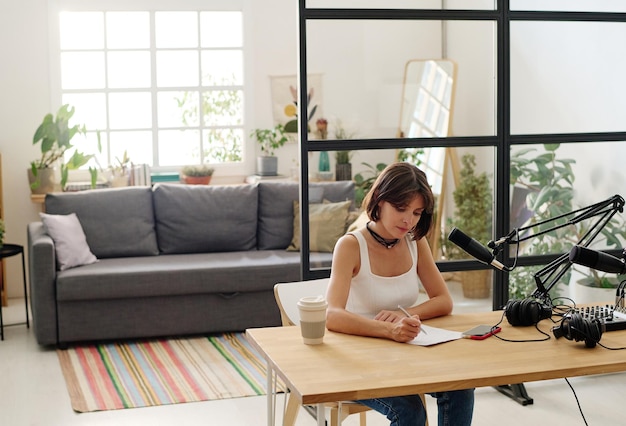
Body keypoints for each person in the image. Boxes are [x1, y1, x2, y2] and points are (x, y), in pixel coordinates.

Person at [326, 162, 474, 426]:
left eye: (417, 212)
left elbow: (443, 300)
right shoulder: (350, 246)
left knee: (461, 386)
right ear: (380, 201)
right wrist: (388, 330)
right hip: (357, 361)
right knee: (410, 410)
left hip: (403, 355)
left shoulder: (415, 242)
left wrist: (401, 316)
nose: (409, 220)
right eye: (401, 209)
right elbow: (332, 315)